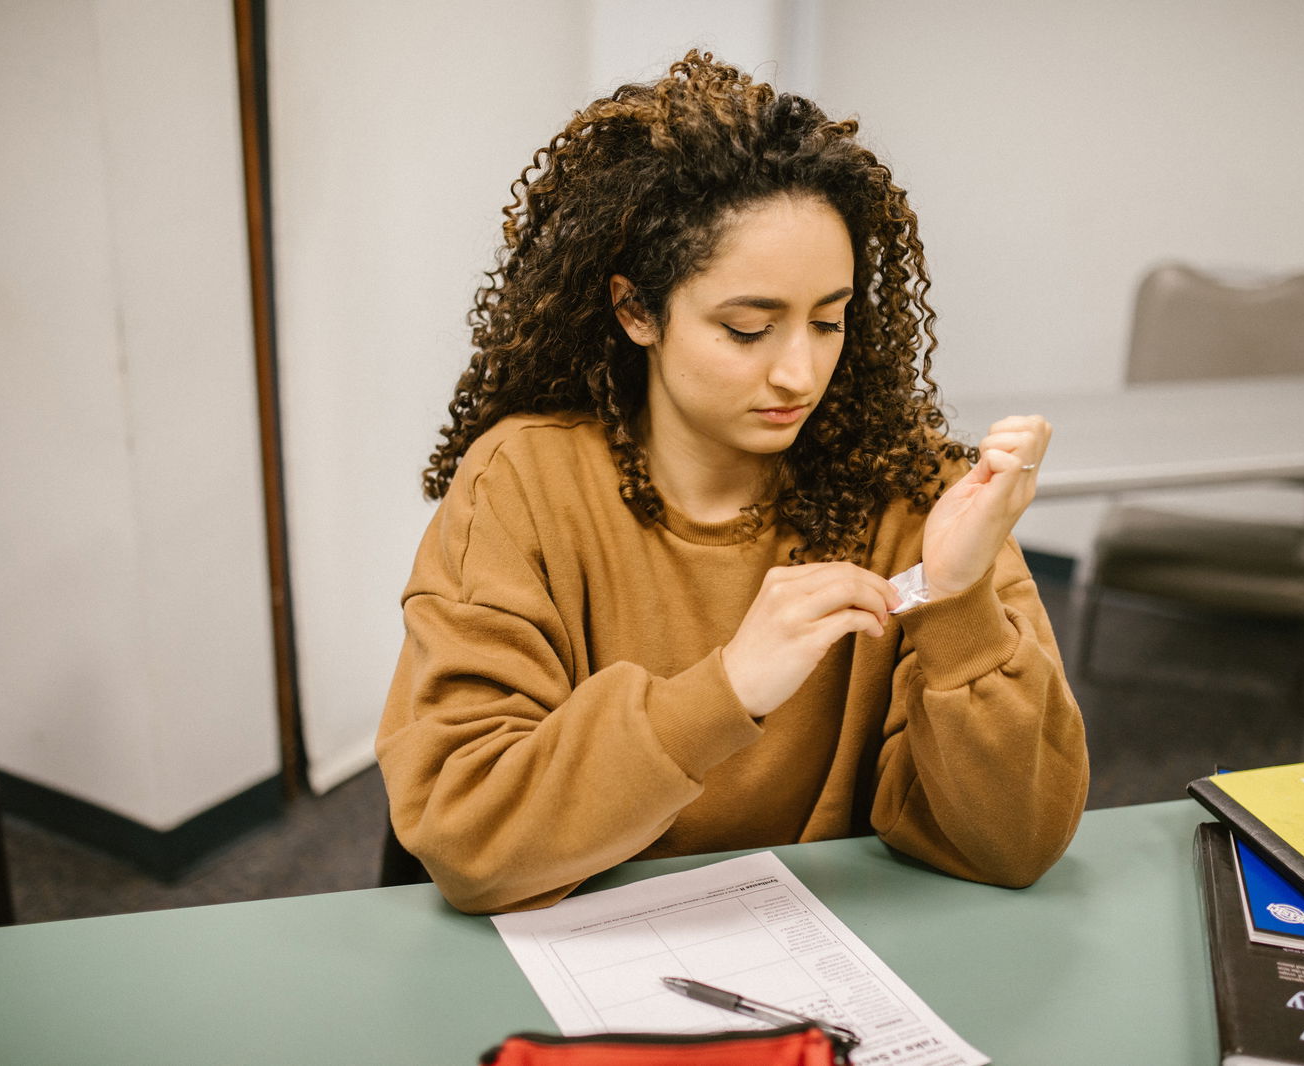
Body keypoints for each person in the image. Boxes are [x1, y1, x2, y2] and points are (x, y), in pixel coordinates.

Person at [378, 51, 1088, 914]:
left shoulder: (914, 493)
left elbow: (1015, 847)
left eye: (830, 321)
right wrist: (730, 689)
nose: (800, 372)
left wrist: (960, 599)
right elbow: (470, 836)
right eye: (748, 329)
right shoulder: (522, 483)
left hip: (833, 970)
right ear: (636, 311)